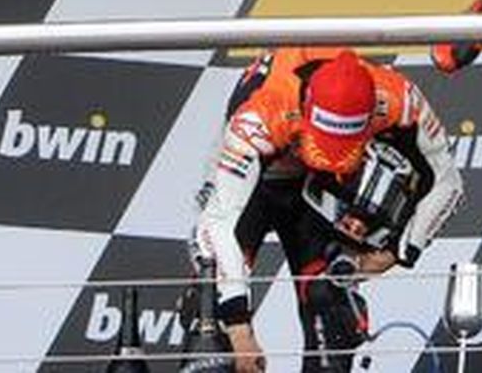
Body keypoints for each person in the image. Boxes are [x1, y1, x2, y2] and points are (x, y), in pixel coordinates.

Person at [191, 47, 463, 372]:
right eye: (324, 144)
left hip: (317, 189)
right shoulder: (263, 112)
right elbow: (218, 222)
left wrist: (398, 251)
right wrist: (238, 328)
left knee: (331, 308)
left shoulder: (397, 99)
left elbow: (448, 182)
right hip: (251, 184)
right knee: (209, 313)